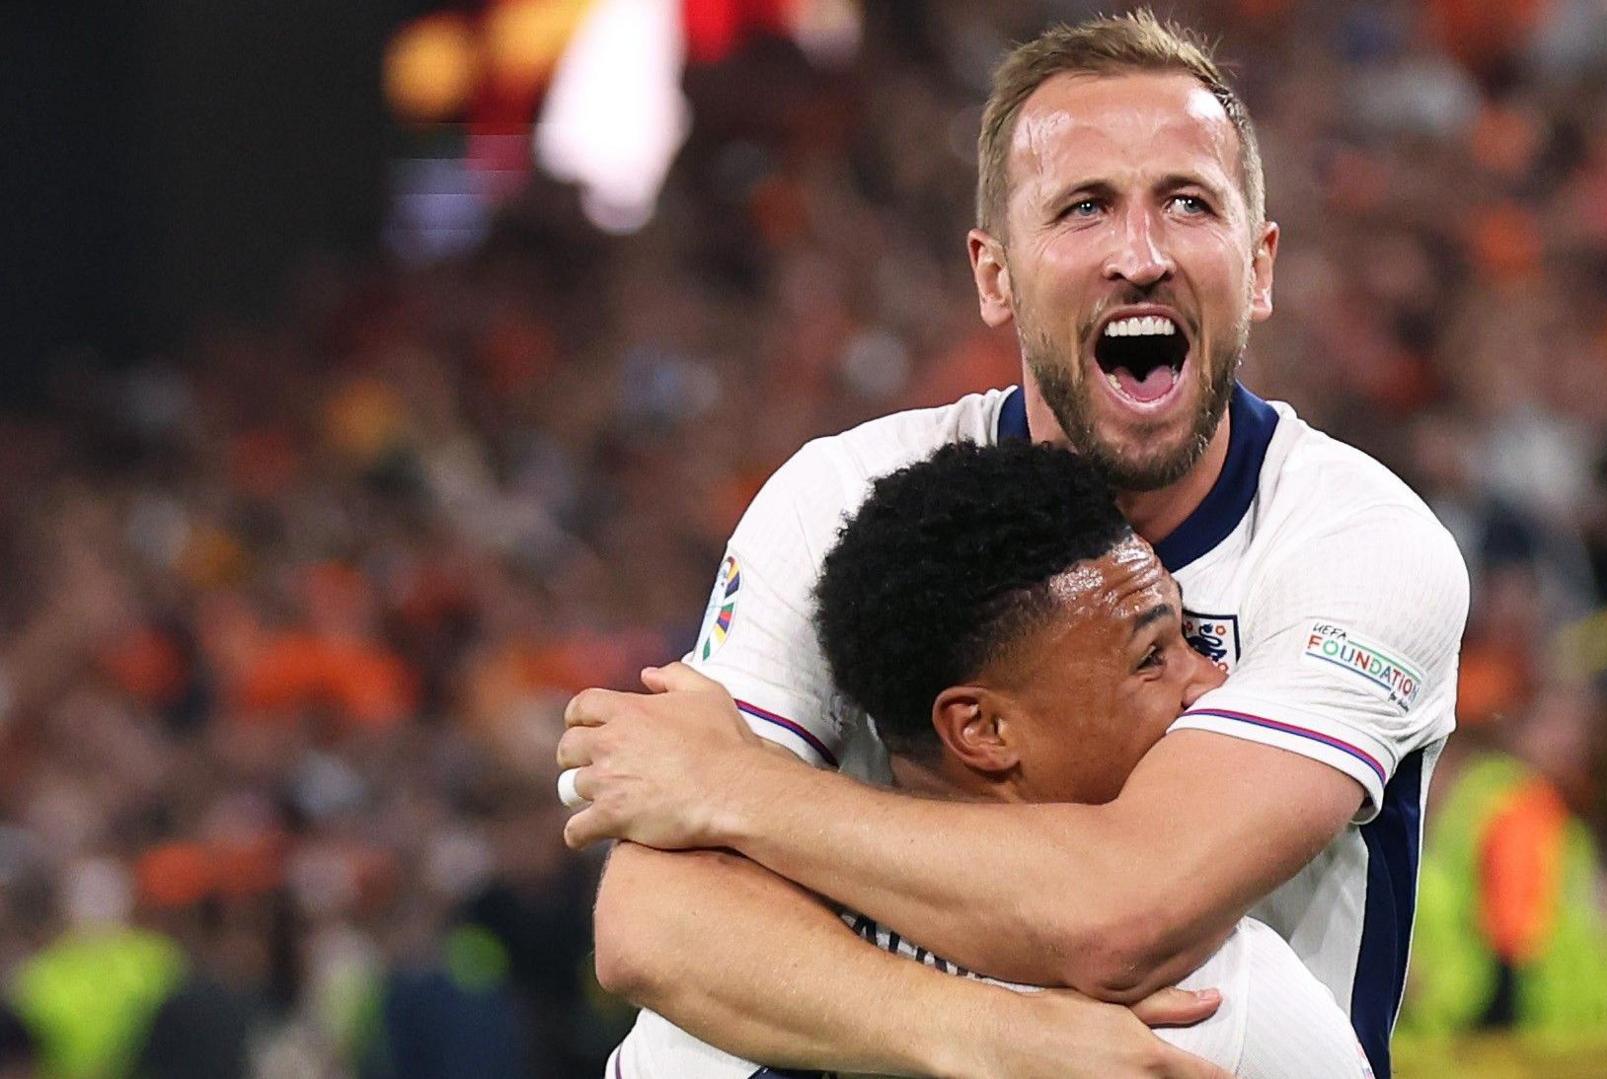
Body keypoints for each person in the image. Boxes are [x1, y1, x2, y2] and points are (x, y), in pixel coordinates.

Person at [557, 11, 1468, 1078]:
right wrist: (995, 1037)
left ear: (1259, 267)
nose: (1142, 254)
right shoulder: (837, 499)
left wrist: (738, 789)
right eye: (1085, 206)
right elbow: (651, 923)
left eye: (1188, 202)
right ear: (995, 275)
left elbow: (1128, 909)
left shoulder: (1358, 544)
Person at [609, 441, 1371, 1077]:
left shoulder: (727, 989)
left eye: (1188, 639)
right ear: (982, 730)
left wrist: (738, 781)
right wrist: (1004, 1035)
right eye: (1152, 657)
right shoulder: (1210, 1012)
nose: (1211, 683)